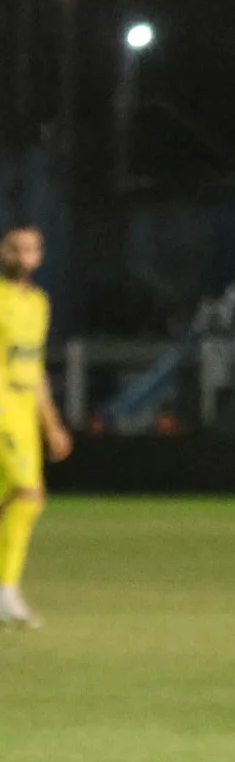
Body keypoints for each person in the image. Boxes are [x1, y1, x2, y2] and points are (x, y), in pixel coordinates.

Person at [0, 226, 69, 629]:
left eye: (30, 249)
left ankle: (6, 590)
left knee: (20, 499)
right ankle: (6, 595)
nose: (23, 256)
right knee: (28, 494)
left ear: (39, 257)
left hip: (25, 411)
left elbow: (35, 364)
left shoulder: (39, 303)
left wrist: (52, 424)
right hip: (2, 407)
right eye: (15, 248)